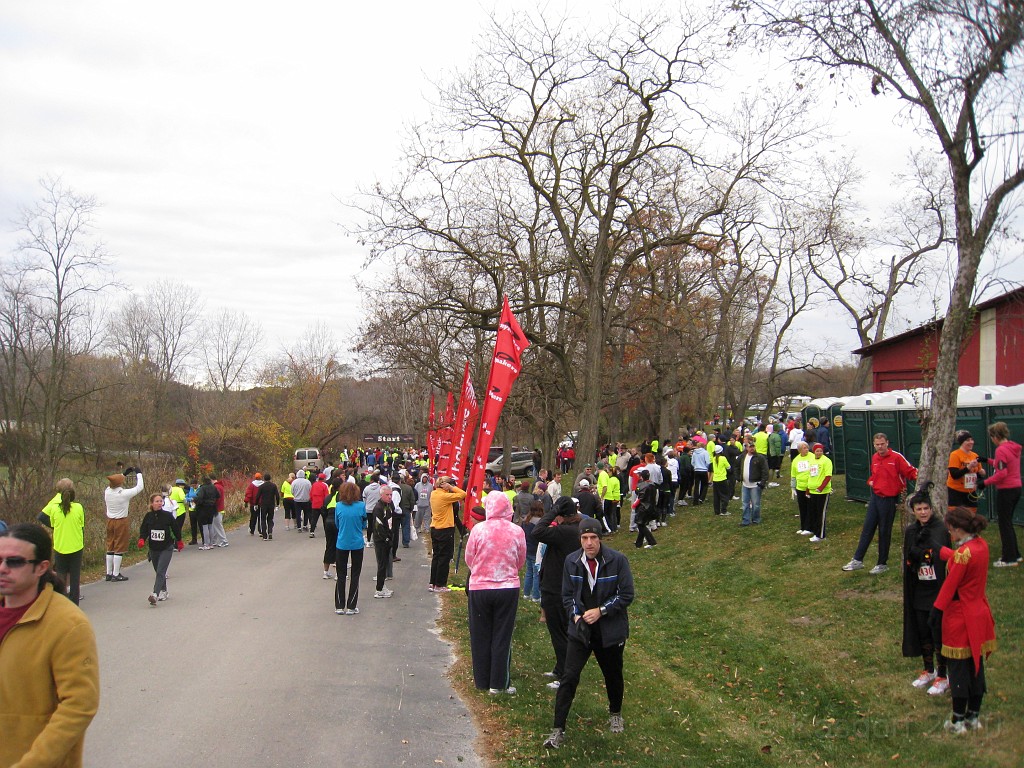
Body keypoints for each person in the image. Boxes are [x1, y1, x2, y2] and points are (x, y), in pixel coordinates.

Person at [0, 523, 99, 767]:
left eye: (13, 562)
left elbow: (79, 705)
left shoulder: (68, 625)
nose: (2, 568)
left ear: (41, 567)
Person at [542, 518, 635, 749]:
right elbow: (567, 595)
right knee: (569, 677)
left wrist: (601, 611)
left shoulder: (617, 560)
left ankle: (615, 713)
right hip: (581, 631)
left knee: (613, 674)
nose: (589, 543)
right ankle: (557, 729)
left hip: (609, 631)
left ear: (600, 539)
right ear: (580, 539)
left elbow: (626, 594)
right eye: (584, 538)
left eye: (593, 538)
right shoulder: (571, 561)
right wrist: (575, 615)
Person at [933, 506, 998, 734]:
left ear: (958, 529)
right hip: (979, 611)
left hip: (960, 617)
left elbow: (950, 586)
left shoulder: (962, 554)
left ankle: (957, 720)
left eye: (951, 530)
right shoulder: (980, 546)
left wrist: (936, 611)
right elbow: (966, 565)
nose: (950, 534)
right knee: (976, 667)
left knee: (959, 669)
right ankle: (973, 716)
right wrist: (945, 553)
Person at [464, 492, 527, 695]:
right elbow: (520, 559)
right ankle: (498, 684)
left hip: (480, 587)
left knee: (480, 634)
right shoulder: (517, 531)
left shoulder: (478, 530)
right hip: (507, 587)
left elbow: (469, 558)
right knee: (502, 635)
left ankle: (482, 680)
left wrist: (481, 570)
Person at [901, 484, 951, 696]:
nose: (922, 512)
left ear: (931, 509)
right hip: (919, 588)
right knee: (923, 631)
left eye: (925, 508)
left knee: (937, 632)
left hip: (937, 589)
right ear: (913, 511)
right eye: (918, 509)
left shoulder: (940, 529)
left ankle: (943, 673)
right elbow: (909, 559)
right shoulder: (912, 530)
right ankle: (928, 669)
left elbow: (945, 557)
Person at [843, 433, 917, 575]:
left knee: (884, 530)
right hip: (876, 497)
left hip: (889, 499)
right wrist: (871, 481)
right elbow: (875, 474)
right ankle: (858, 559)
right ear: (874, 445)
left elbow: (910, 472)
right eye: (877, 444)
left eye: (882, 444)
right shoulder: (875, 457)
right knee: (868, 527)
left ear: (887, 443)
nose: (880, 447)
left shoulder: (896, 457)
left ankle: (882, 563)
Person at [531, 496, 584, 690]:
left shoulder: (564, 532)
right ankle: (560, 667)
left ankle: (564, 673)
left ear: (561, 515)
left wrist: (552, 511)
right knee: (561, 631)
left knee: (559, 632)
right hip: (564, 586)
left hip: (556, 588)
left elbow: (538, 531)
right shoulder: (577, 529)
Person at [980, 421, 1022, 567]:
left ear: (996, 436)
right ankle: (1015, 555)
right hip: (1016, 488)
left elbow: (1002, 473)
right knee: (1008, 523)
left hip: (1006, 490)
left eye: (992, 437)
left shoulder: (1001, 450)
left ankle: (1008, 558)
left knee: (1004, 525)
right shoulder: (1013, 447)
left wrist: (984, 483)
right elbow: (1003, 464)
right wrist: (986, 460)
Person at [39, 478, 86, 604]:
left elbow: (53, 524)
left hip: (60, 546)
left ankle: (61, 602)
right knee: (75, 577)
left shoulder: (54, 509)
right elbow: (82, 525)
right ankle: (75, 603)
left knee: (61, 575)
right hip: (76, 545)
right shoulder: (79, 507)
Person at [138, 493, 183, 605]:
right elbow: (143, 529)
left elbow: (175, 528)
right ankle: (164, 591)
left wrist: (179, 540)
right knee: (158, 570)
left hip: (166, 547)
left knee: (161, 570)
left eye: (160, 501)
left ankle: (155, 594)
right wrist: (142, 539)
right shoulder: (148, 516)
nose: (159, 503)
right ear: (152, 503)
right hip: (153, 548)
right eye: (156, 501)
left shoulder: (167, 515)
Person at [104, 467, 145, 581]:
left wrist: (124, 473)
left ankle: (108, 572)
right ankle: (116, 574)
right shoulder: (123, 494)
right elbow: (139, 487)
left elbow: (115, 481)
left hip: (110, 520)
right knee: (119, 547)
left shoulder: (107, 491)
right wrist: (139, 473)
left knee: (110, 545)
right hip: (121, 521)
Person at [429, 476, 467, 592]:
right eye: (449, 484)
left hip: (435, 527)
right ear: (444, 485)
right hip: (445, 529)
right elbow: (463, 494)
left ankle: (432, 582)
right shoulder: (444, 496)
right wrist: (451, 487)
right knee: (444, 557)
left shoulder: (434, 494)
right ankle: (440, 584)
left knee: (436, 556)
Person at [334, 482, 367, 615]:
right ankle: (352, 605)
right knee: (355, 574)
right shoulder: (361, 506)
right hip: (357, 543)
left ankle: (339, 605)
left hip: (342, 543)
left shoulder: (338, 506)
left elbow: (337, 523)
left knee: (341, 574)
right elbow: (364, 522)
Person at [947, 430, 986, 511]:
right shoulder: (955, 455)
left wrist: (981, 473)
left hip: (970, 491)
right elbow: (954, 475)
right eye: (968, 440)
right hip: (956, 491)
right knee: (956, 517)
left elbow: (976, 474)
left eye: (972, 440)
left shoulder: (975, 455)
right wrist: (968, 467)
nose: (971, 442)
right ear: (962, 442)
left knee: (971, 516)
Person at [371, 485, 397, 599]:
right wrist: (386, 538)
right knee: (382, 564)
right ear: (381, 495)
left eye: (391, 495)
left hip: (388, 538)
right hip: (381, 540)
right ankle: (379, 589)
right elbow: (378, 526)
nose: (390, 497)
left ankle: (382, 586)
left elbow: (390, 521)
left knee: (385, 563)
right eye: (387, 495)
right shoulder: (378, 508)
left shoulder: (389, 505)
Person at [805, 443, 833, 542]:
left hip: (822, 492)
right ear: (814, 451)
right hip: (813, 491)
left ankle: (821, 535)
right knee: (814, 512)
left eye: (821, 451)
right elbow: (810, 475)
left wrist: (821, 487)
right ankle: (815, 531)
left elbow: (828, 476)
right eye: (817, 451)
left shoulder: (826, 461)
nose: (819, 452)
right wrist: (808, 489)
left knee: (821, 513)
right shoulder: (812, 461)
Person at [738, 442, 769, 527]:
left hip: (755, 485)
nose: (752, 448)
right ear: (746, 448)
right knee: (745, 503)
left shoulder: (760, 458)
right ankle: (745, 520)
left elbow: (765, 471)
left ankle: (756, 519)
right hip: (745, 484)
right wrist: (738, 477)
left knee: (755, 504)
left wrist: (762, 483)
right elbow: (737, 466)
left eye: (753, 446)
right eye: (750, 447)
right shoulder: (742, 457)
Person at [521, 501, 544, 602]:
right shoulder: (540, 522)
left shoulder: (526, 520)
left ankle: (526, 593)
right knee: (536, 573)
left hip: (528, 548)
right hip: (536, 549)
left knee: (529, 572)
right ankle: (536, 596)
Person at [791, 442, 813, 536]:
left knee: (809, 507)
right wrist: (793, 487)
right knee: (802, 507)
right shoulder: (796, 460)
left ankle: (809, 527)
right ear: (800, 450)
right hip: (800, 487)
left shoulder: (812, 457)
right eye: (804, 448)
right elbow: (793, 474)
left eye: (807, 448)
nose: (806, 449)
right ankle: (803, 526)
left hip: (810, 487)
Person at [632, 470, 658, 548]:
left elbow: (640, 497)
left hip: (643, 507)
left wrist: (634, 505)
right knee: (642, 524)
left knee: (640, 524)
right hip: (651, 506)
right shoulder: (653, 484)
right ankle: (638, 543)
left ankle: (652, 541)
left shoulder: (642, 485)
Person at [193, 476, 219, 550]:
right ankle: (211, 543)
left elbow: (199, 498)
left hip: (203, 508)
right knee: (210, 525)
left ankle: (206, 544)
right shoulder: (214, 487)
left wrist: (195, 500)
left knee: (204, 526)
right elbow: (218, 495)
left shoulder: (202, 488)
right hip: (212, 508)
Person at [254, 473, 281, 540]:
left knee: (263, 519)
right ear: (270, 478)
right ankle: (270, 532)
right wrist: (277, 504)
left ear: (264, 479)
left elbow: (257, 496)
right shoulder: (273, 486)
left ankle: (264, 535)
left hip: (263, 505)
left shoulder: (261, 486)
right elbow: (277, 496)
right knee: (270, 519)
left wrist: (256, 504)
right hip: (271, 504)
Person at [710, 444, 731, 516]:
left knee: (716, 496)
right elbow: (728, 467)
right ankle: (724, 510)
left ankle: (717, 511)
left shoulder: (713, 458)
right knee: (725, 495)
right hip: (722, 479)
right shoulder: (723, 458)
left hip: (715, 479)